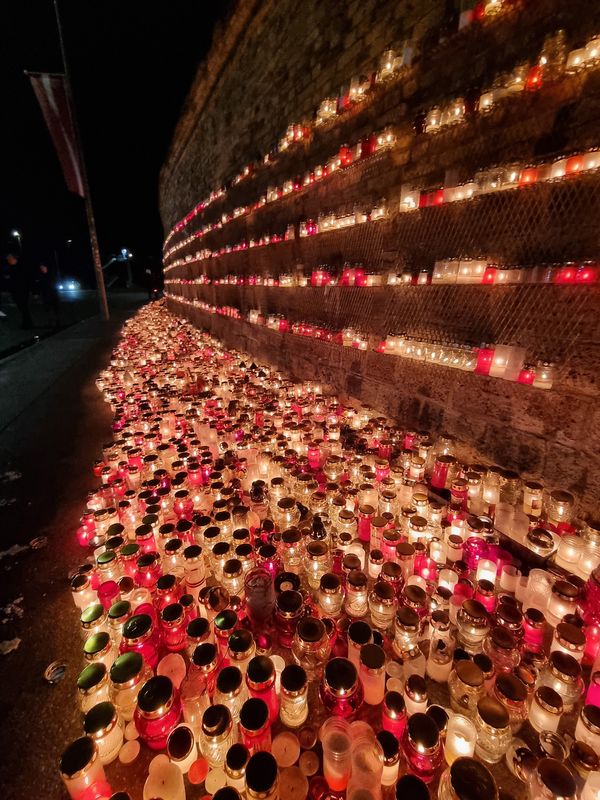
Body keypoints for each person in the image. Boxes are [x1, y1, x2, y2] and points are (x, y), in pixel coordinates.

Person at [6, 252, 32, 329]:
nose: (8, 260)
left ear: (13, 259)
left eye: (9, 259)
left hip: (22, 291)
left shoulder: (21, 267)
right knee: (21, 308)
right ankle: (27, 322)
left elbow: (25, 279)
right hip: (16, 291)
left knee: (24, 307)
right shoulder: (11, 268)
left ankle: (27, 323)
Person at [37, 263, 60, 328]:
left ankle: (57, 321)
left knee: (55, 308)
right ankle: (50, 322)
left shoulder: (51, 274)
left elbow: (55, 283)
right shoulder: (41, 275)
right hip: (45, 294)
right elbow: (40, 285)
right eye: (41, 268)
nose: (42, 269)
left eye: (43, 267)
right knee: (47, 308)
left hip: (52, 293)